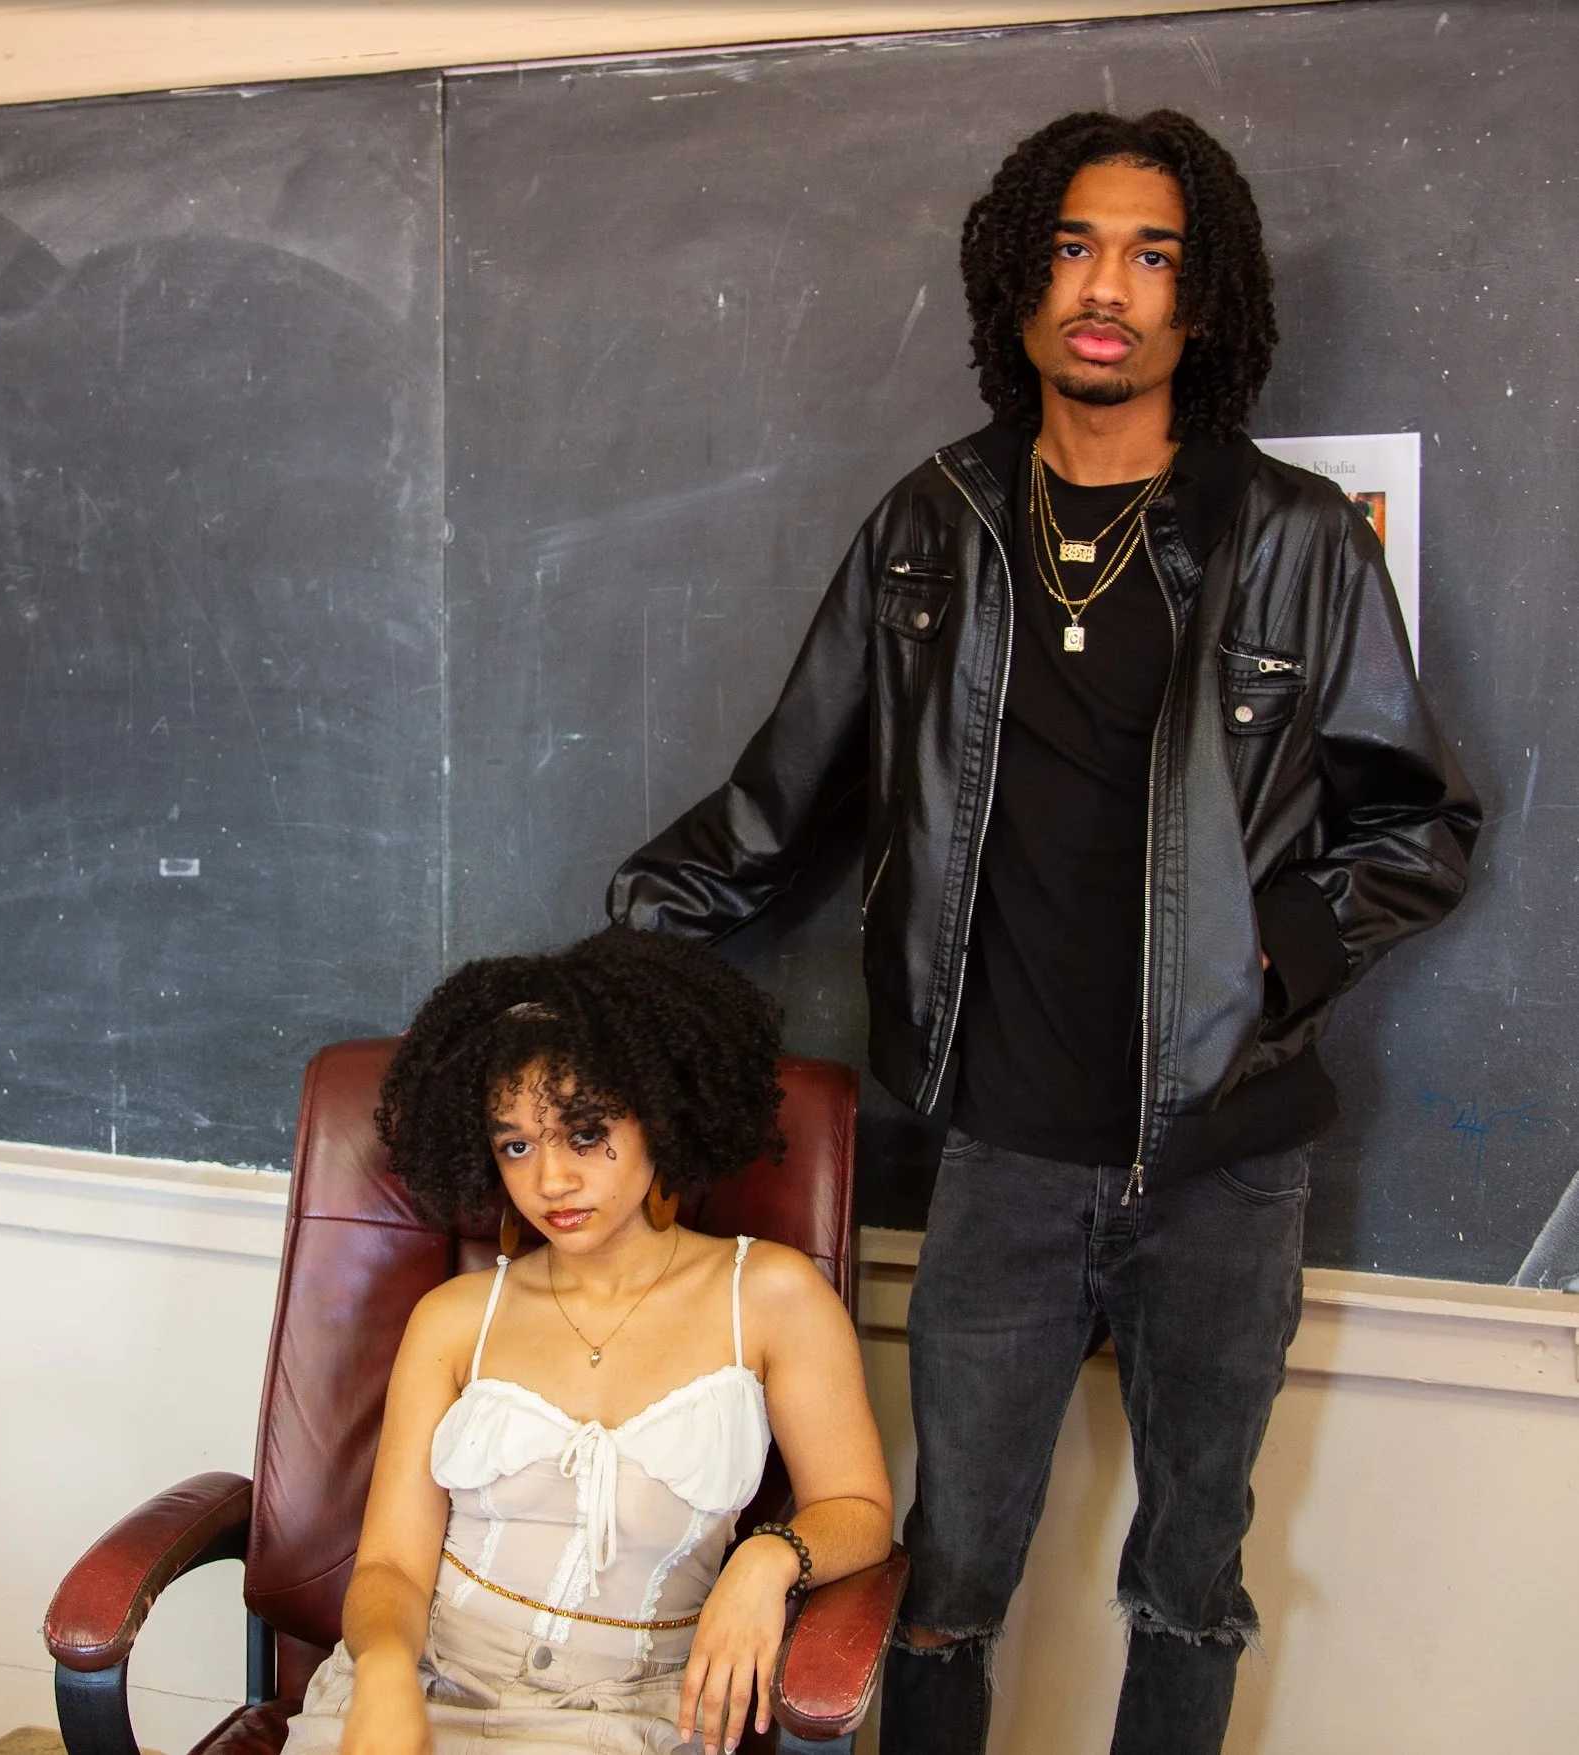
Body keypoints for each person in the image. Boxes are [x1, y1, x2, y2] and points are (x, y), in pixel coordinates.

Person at [608, 110, 1478, 1754]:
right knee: (941, 1584)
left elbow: (1421, 825)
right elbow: (778, 804)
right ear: (1016, 285)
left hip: (1226, 1164)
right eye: (1074, 246)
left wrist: (1269, 959)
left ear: (1198, 304)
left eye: (1153, 257)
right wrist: (614, 956)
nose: (1108, 287)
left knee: (1191, 1582)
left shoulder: (1290, 540)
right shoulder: (926, 534)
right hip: (997, 1156)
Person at [279, 926, 892, 1755]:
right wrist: (383, 1674)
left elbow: (859, 1512)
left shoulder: (773, 1295)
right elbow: (389, 1565)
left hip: (624, 1719)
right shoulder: (456, 1317)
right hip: (421, 1690)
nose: (551, 1180)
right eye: (517, 1145)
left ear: (659, 1119)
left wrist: (768, 1558)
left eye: (587, 1132)